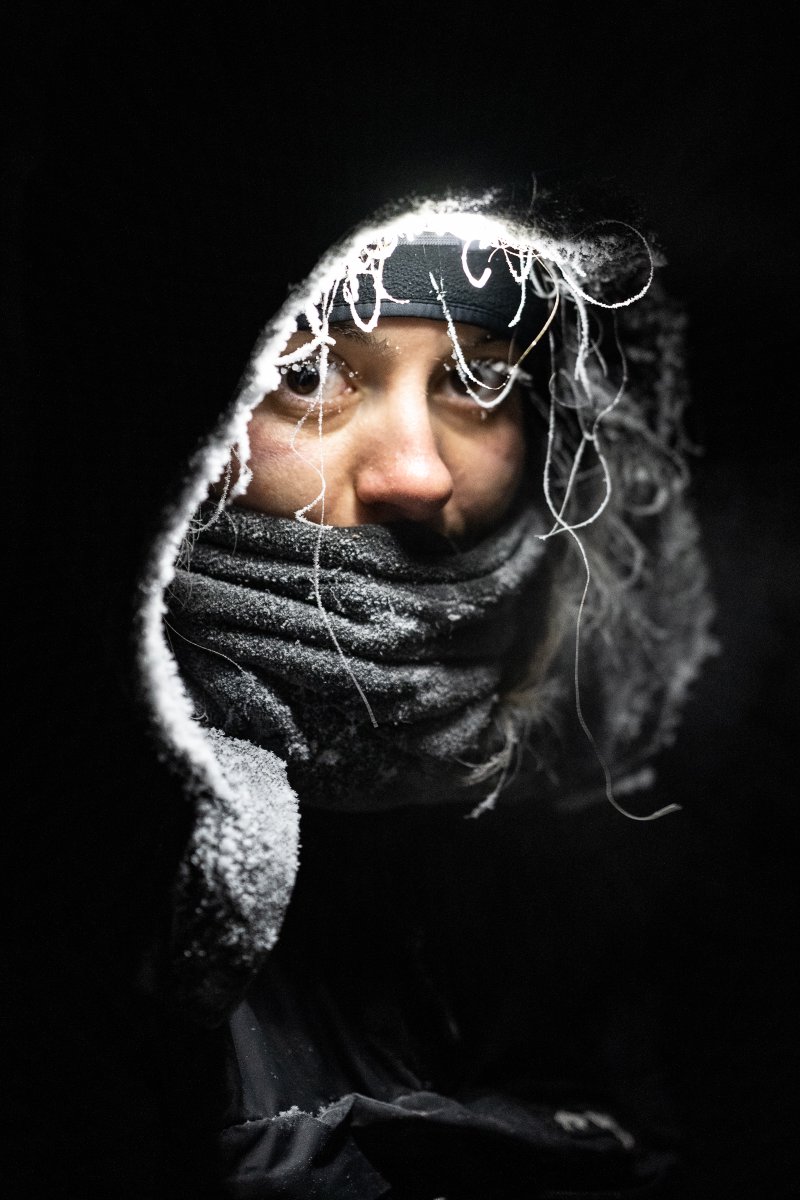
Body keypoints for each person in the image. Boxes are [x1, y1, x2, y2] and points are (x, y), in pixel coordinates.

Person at [127, 198, 718, 1198]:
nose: (415, 470)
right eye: (306, 372)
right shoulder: (77, 829)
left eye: (475, 377)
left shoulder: (612, 816)